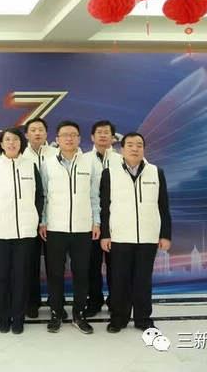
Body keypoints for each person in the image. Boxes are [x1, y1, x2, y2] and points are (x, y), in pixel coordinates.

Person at [101, 132, 171, 333]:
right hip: (120, 236)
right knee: (120, 280)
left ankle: (143, 319)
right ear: (121, 149)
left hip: (148, 237)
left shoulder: (156, 172)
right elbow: (104, 207)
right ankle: (118, 319)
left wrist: (165, 235)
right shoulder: (110, 173)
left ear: (144, 149)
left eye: (139, 145)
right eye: (130, 145)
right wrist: (105, 234)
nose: (135, 149)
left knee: (143, 280)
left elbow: (163, 206)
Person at [0, 127, 44, 335]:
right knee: (2, 276)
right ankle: (4, 316)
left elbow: (39, 196)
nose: (11, 143)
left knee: (22, 276)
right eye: (7, 139)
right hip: (1, 231)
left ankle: (19, 317)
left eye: (15, 139)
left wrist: (34, 216)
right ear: (1, 144)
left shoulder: (30, 166)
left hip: (25, 232)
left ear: (21, 143)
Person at [39, 120, 100, 335]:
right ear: (56, 139)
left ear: (79, 139)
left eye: (73, 134)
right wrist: (43, 222)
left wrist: (96, 222)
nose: (69, 138)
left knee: (81, 272)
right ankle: (56, 312)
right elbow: (43, 195)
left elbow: (95, 196)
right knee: (55, 272)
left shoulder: (90, 163)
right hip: (55, 227)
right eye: (64, 135)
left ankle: (79, 314)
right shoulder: (47, 163)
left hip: (83, 228)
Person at [85, 120, 122, 318]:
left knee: (115, 265)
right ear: (92, 137)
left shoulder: (121, 160)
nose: (102, 135)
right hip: (90, 220)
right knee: (92, 265)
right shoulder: (83, 159)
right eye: (99, 132)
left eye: (107, 132)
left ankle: (115, 301)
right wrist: (94, 220)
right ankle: (94, 300)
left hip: (115, 221)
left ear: (113, 138)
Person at [22, 117, 57, 318]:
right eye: (33, 130)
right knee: (30, 263)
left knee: (54, 264)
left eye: (41, 129)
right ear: (26, 134)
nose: (37, 133)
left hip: (54, 217)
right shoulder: (20, 155)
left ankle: (55, 301)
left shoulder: (56, 154)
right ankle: (32, 302)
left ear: (46, 133)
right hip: (29, 217)